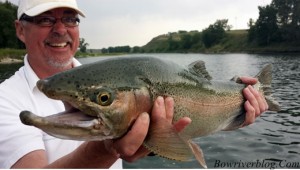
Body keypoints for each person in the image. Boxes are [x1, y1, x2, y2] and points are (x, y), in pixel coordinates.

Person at [0, 0, 268, 168]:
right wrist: (107, 150)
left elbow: (185, 122)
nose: (60, 29)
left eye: (69, 19)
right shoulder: (6, 99)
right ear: (20, 29)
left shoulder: (103, 77)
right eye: (45, 19)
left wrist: (237, 113)